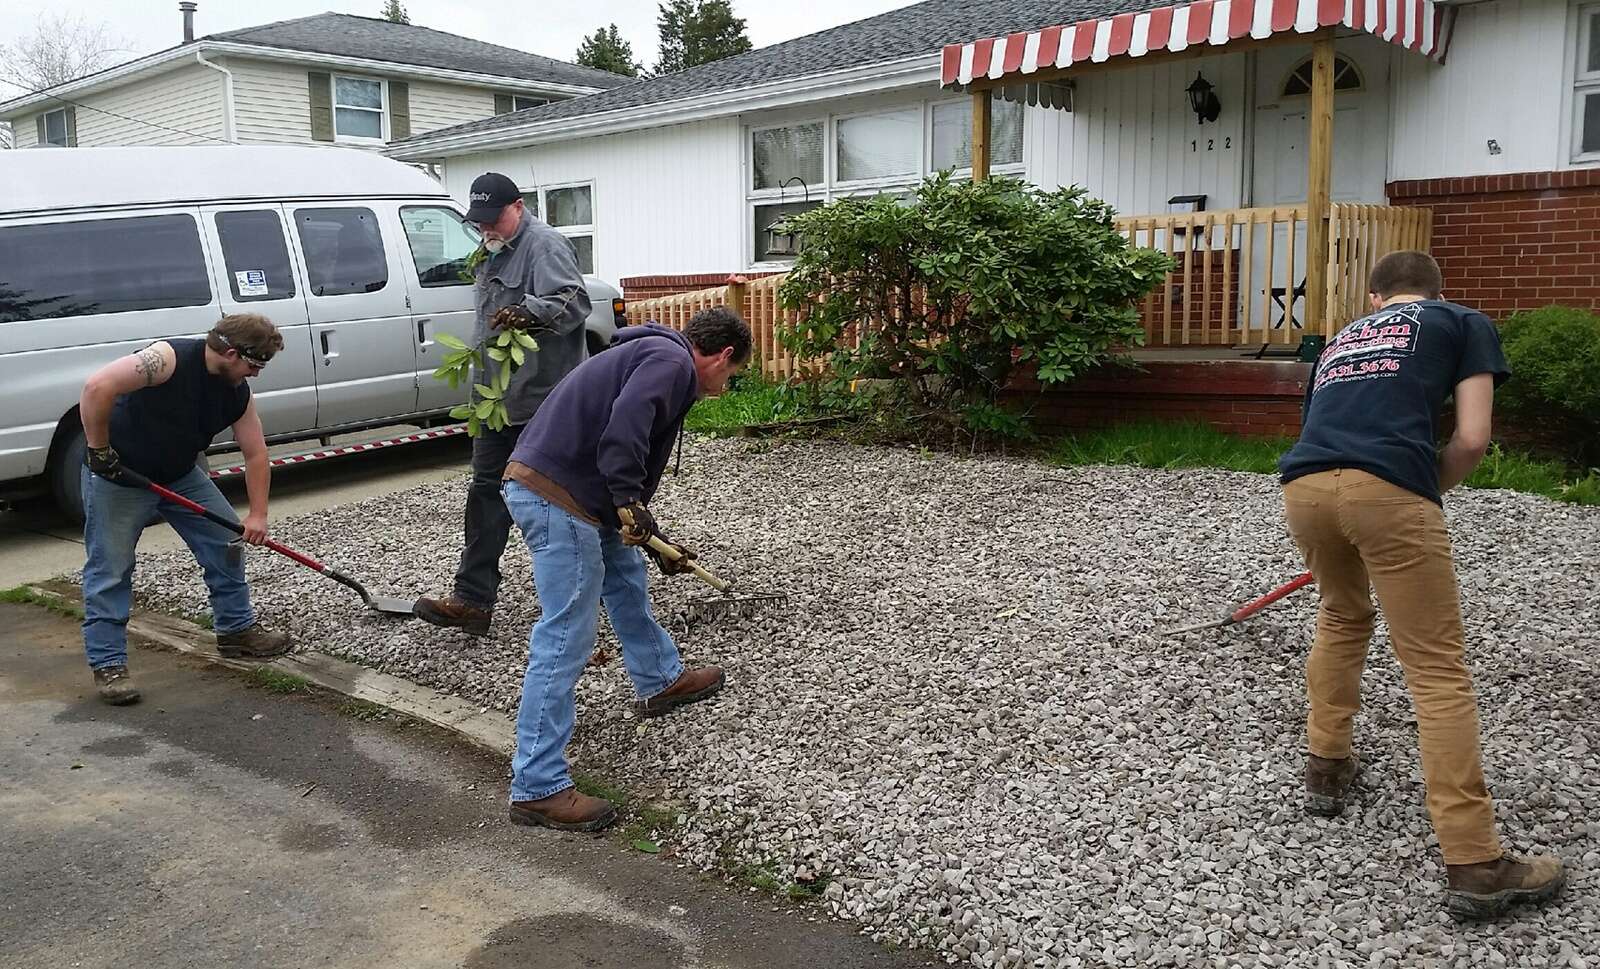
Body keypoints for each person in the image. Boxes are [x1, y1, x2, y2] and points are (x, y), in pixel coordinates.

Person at [1277, 250, 1565, 920]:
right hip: (1390, 488)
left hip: (1305, 487)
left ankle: (1326, 767)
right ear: (1436, 292)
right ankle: (1475, 860)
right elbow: (1470, 438)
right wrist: (1413, 491)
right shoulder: (1460, 320)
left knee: (1342, 616)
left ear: (1376, 297)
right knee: (1436, 669)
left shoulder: (1345, 336)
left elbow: (1325, 428)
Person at [499, 307, 750, 831]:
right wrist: (630, 501)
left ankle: (661, 678)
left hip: (576, 494)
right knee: (567, 632)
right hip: (556, 496)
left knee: (627, 580)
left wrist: (650, 536)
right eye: (732, 375)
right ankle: (537, 784)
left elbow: (617, 445)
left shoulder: (653, 354)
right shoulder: (670, 361)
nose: (725, 388)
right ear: (723, 355)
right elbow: (625, 432)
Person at [79, 314, 291, 705]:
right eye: (254, 364)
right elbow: (97, 387)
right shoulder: (166, 359)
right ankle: (109, 664)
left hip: (180, 474)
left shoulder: (236, 390)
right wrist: (98, 451)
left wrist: (257, 515)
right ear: (230, 352)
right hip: (119, 477)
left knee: (226, 540)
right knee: (111, 568)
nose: (256, 374)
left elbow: (256, 453)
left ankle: (235, 631)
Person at [414, 171, 592, 637]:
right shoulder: (491, 249)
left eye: (494, 219)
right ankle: (473, 601)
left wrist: (529, 312)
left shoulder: (545, 245)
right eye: (480, 222)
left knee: (568, 497)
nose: (486, 229)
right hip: (495, 403)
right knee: (485, 495)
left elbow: (573, 304)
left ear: (518, 206)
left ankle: (600, 582)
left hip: (543, 403)